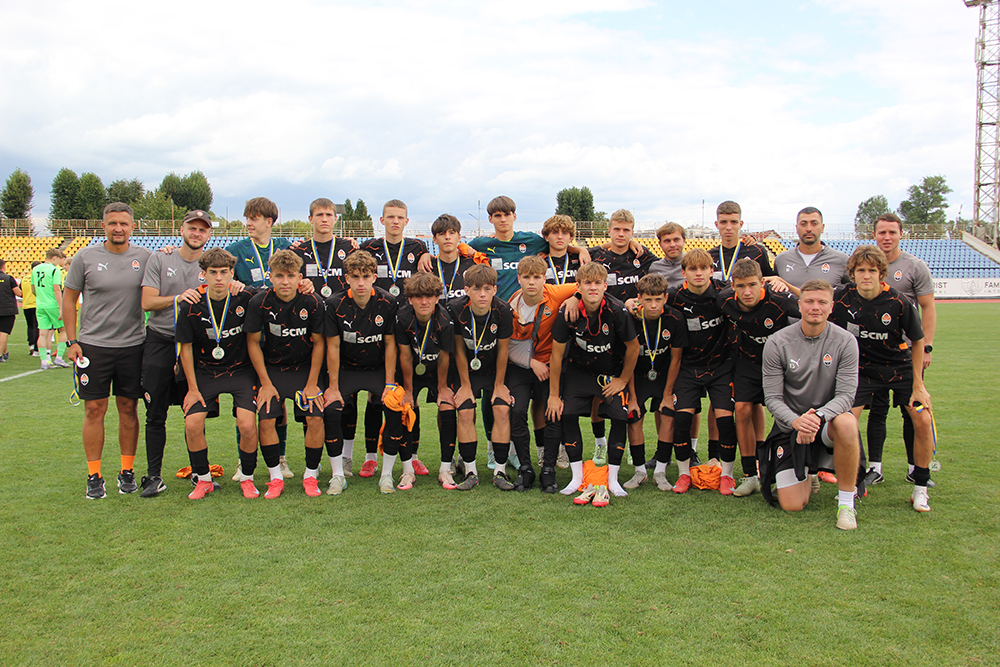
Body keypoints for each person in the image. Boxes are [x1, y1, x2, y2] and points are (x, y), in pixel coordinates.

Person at [832, 245, 934, 512]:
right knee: (845, 424)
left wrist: (918, 385)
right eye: (860, 270)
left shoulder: (899, 302)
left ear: (882, 273)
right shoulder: (842, 297)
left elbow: (918, 341)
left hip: (900, 370)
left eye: (872, 270)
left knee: (923, 419)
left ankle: (920, 489)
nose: (866, 276)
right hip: (862, 372)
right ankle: (853, 484)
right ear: (852, 274)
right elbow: (812, 299)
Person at [63, 203, 151, 500]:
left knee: (128, 408)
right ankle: (94, 475)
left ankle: (127, 471)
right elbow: (69, 299)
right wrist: (71, 341)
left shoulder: (145, 257)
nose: (118, 228)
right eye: (112, 223)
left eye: (124, 223)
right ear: (103, 226)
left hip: (132, 346)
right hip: (93, 347)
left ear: (132, 227)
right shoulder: (85, 257)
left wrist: (167, 253)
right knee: (94, 409)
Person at [761, 279, 862, 530]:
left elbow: (846, 396)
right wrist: (797, 421)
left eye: (822, 302)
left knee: (848, 422)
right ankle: (808, 473)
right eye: (809, 301)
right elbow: (772, 398)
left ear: (831, 307)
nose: (815, 307)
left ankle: (846, 505)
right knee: (792, 504)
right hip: (792, 426)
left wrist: (818, 417)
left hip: (827, 423)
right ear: (800, 305)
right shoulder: (777, 342)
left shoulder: (846, 341)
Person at [547, 261, 639, 498]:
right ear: (578, 286)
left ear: (605, 285)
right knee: (567, 414)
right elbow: (556, 356)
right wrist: (554, 395)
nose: (593, 287)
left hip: (610, 373)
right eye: (587, 283)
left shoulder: (617, 310)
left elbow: (633, 347)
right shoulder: (567, 312)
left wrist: (622, 380)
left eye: (598, 282)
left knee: (619, 416)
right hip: (579, 372)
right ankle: (576, 478)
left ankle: (613, 479)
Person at [138, 209, 213, 497]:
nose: (196, 233)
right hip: (161, 339)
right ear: (182, 230)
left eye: (202, 229)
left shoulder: (212, 263)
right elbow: (147, 302)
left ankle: (199, 473)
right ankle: (153, 476)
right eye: (192, 228)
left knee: (194, 411)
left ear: (209, 234)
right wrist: (177, 298)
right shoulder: (160, 258)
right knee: (155, 412)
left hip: (195, 345)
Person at [175, 248, 258, 500]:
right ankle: (204, 480)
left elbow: (275, 293)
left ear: (232, 273)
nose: (219, 278)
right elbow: (185, 349)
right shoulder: (191, 304)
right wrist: (192, 388)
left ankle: (247, 478)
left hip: (240, 370)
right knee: (192, 423)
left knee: (247, 424)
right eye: (213, 273)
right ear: (203, 274)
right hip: (205, 372)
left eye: (224, 272)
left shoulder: (245, 297)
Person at [246, 250, 326, 499]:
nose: (285, 282)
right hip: (273, 371)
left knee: (315, 418)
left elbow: (320, 343)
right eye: (279, 276)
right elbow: (252, 343)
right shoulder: (259, 302)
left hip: (305, 370)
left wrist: (312, 383)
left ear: (299, 277)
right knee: (266, 419)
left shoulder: (312, 302)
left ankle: (310, 475)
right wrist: (265, 383)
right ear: (270, 277)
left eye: (291, 276)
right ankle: (275, 477)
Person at [864, 213, 937, 487]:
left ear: (901, 234)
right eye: (882, 232)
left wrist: (926, 346)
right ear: (874, 235)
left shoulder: (914, 266)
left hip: (906, 353)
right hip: (872, 353)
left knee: (912, 411)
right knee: (877, 410)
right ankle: (875, 468)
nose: (887, 237)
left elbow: (927, 307)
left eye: (892, 232)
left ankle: (914, 467)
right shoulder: (867, 266)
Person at [718, 259, 800, 497]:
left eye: (752, 285)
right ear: (733, 285)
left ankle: (797, 469)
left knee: (787, 415)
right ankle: (750, 475)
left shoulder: (780, 300)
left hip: (780, 366)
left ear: (762, 282)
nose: (747, 292)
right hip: (747, 362)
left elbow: (811, 303)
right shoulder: (724, 300)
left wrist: (786, 283)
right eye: (741, 286)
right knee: (742, 409)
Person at [359, 200, 429, 474]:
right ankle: (370, 456)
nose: (395, 221)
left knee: (411, 396)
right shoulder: (369, 247)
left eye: (400, 217)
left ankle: (413, 455)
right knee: (376, 395)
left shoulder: (418, 248)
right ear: (382, 220)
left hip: (408, 328)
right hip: (377, 328)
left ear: (407, 221)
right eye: (390, 217)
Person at [226, 197, 295, 477]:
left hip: (279, 337)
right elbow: (214, 274)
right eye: (247, 218)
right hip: (249, 336)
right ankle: (244, 460)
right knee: (245, 403)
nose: (248, 223)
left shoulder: (286, 246)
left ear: (269, 221)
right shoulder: (235, 250)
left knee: (278, 401)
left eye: (253, 218)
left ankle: (280, 457)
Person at [323, 250, 398, 495]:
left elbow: (390, 343)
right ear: (346, 278)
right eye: (355, 277)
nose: (361, 283)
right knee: (332, 409)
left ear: (375, 277)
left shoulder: (388, 302)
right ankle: (337, 475)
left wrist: (390, 383)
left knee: (393, 408)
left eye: (366, 276)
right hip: (347, 369)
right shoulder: (334, 304)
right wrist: (333, 387)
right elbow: (333, 346)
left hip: (377, 369)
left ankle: (386, 475)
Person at [665, 248, 739, 494]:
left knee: (725, 421)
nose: (698, 273)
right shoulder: (673, 296)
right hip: (688, 367)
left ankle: (727, 475)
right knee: (682, 420)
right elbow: (645, 301)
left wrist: (777, 282)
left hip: (721, 367)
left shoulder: (725, 293)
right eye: (693, 269)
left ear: (711, 270)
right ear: (683, 272)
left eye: (703, 268)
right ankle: (684, 474)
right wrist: (632, 303)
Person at [506, 256, 580, 493]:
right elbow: (507, 346)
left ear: (544, 278)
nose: (532, 282)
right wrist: (532, 362)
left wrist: (575, 298)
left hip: (551, 365)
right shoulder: (511, 306)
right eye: (526, 277)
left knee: (553, 412)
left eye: (537, 277)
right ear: (519, 278)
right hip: (521, 367)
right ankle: (525, 467)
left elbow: (585, 284)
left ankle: (549, 468)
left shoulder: (556, 293)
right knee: (517, 412)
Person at [449, 264, 515, 490]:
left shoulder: (503, 310)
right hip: (466, 372)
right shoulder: (455, 308)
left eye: (487, 289)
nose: (482, 294)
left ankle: (500, 471)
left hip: (494, 371)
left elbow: (504, 350)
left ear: (495, 289)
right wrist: (465, 385)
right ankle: (470, 471)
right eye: (477, 289)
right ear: (467, 290)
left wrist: (499, 385)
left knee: (502, 409)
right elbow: (458, 350)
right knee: (465, 411)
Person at [393, 273, 456, 493]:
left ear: (437, 297)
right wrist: (409, 390)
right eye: (418, 297)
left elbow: (445, 356)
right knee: (407, 406)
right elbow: (405, 356)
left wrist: (442, 388)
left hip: (438, 370)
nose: (424, 302)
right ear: (410, 299)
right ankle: (408, 468)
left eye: (429, 296)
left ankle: (445, 469)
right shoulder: (402, 318)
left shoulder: (445, 320)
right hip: (411, 369)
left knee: (447, 406)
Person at [626, 274, 687, 491]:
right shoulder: (630, 319)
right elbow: (628, 361)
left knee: (668, 414)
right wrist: (632, 398)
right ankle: (640, 471)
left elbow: (676, 359)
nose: (653, 305)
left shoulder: (675, 319)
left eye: (658, 299)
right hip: (637, 374)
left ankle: (660, 471)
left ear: (665, 298)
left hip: (663, 374)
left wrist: (668, 394)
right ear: (639, 298)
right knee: (633, 417)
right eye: (648, 299)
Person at [465, 196, 592, 301]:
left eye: (507, 215)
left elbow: (557, 245)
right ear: (490, 219)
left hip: (526, 307)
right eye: (498, 215)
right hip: (499, 307)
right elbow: (458, 249)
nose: (503, 219)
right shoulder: (481, 244)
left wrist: (580, 250)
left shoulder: (531, 240)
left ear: (514, 216)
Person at [772, 207, 850, 287]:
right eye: (803, 224)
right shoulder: (781, 260)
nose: (809, 229)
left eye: (814, 223)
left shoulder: (842, 260)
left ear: (822, 227)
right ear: (796, 228)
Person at [708, 201, 777, 284]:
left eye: (734, 222)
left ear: (740, 224)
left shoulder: (757, 252)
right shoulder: (709, 256)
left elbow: (769, 281)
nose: (728, 227)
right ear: (717, 224)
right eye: (723, 222)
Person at [32, 248, 72, 369]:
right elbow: (56, 290)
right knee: (64, 329)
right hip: (53, 304)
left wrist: (41, 298)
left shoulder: (35, 269)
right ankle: (59, 357)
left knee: (43, 333)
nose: (59, 262)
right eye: (59, 259)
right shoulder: (55, 270)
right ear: (54, 258)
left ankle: (44, 360)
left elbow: (33, 289)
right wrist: (61, 308)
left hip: (40, 304)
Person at [427, 214, 476, 301]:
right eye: (442, 234)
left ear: (459, 237)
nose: (447, 237)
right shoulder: (428, 267)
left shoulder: (472, 266)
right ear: (434, 239)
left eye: (452, 233)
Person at [541, 215, 582, 285]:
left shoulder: (580, 261)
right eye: (555, 232)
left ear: (570, 238)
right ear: (546, 237)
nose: (560, 237)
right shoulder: (540, 264)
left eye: (565, 233)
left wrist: (582, 250)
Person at [648, 222, 686, 288]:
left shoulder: (696, 264)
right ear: (660, 244)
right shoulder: (655, 268)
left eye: (676, 240)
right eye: (667, 241)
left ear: (684, 241)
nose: (672, 245)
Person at [0, 258, 21, 362]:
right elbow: (18, 293)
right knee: (4, 332)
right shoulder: (8, 278)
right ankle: (0, 354)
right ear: (3, 266)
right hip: (7, 309)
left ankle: (5, 352)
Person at [22, 261, 40, 356]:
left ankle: (31, 345)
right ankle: (36, 348)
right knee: (37, 326)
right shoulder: (38, 277)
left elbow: (21, 292)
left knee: (30, 326)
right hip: (36, 304)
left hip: (26, 305)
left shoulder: (25, 278)